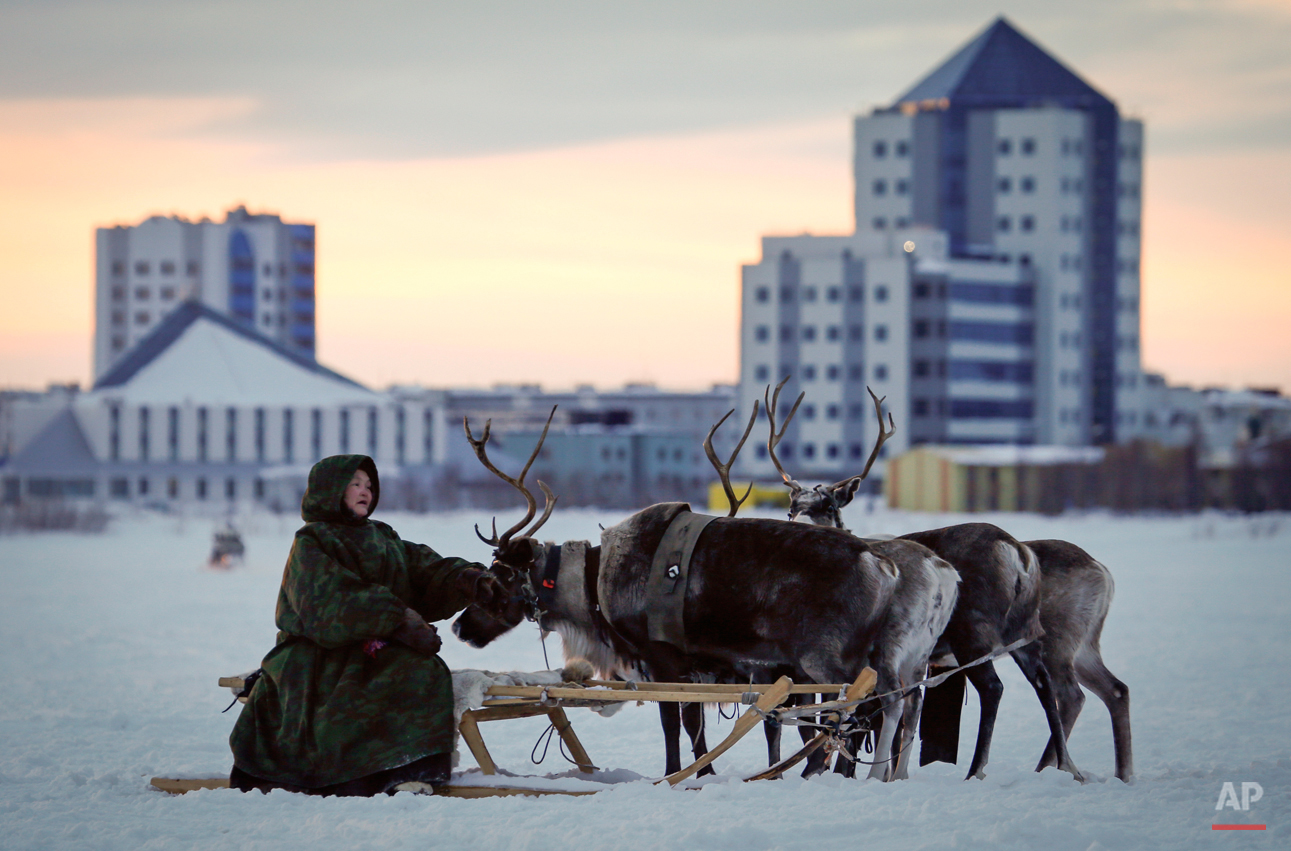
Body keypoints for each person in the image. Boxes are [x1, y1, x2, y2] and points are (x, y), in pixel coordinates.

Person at [228, 454, 506, 796]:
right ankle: (361, 774)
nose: (365, 492)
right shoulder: (313, 541)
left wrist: (467, 579)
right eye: (355, 484)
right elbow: (328, 601)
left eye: (369, 485)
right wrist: (396, 618)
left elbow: (422, 568)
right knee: (399, 672)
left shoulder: (381, 536)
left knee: (420, 668)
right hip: (319, 653)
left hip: (375, 645)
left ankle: (408, 767)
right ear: (331, 491)